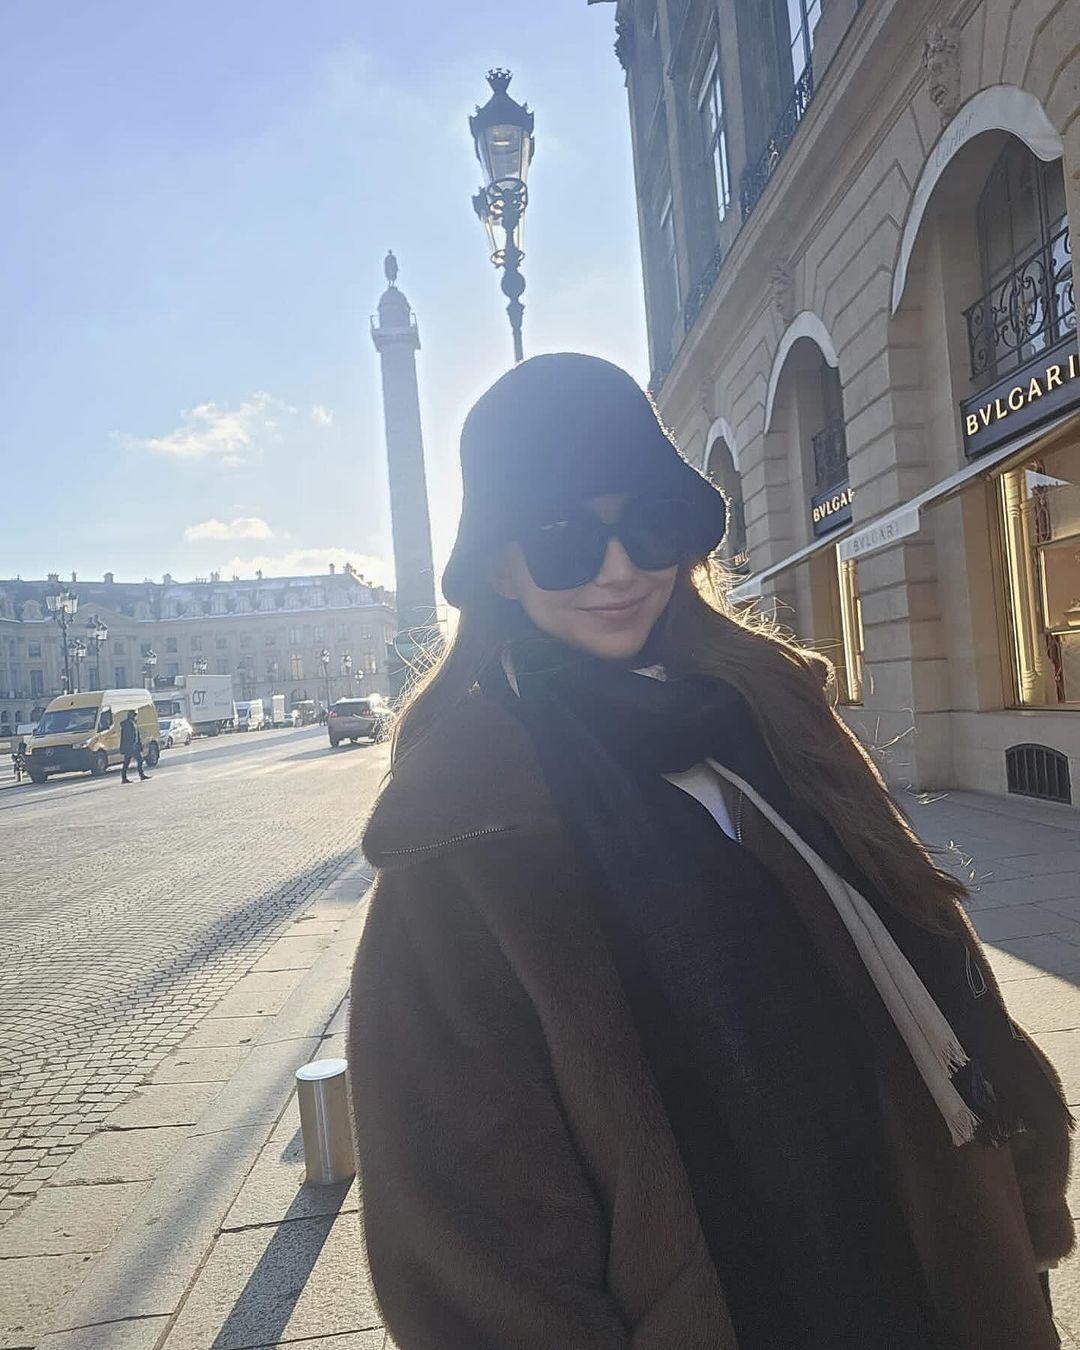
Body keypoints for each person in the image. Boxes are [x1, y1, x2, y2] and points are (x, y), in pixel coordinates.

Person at [347, 354, 1073, 1350]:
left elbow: (932, 947)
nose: (617, 570)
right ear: (500, 569)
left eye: (646, 524)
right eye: (563, 540)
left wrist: (1020, 1162)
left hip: (940, 1270)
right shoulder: (463, 826)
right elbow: (472, 1234)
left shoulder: (772, 711)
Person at [120, 709, 148, 783]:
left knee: (140, 760)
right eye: (133, 715)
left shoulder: (134, 723)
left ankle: (141, 775)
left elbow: (137, 735)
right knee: (127, 762)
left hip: (135, 745)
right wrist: (127, 747)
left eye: (135, 715)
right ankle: (124, 778)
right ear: (130, 715)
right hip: (129, 746)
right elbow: (126, 737)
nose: (135, 716)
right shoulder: (126, 724)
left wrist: (139, 745)